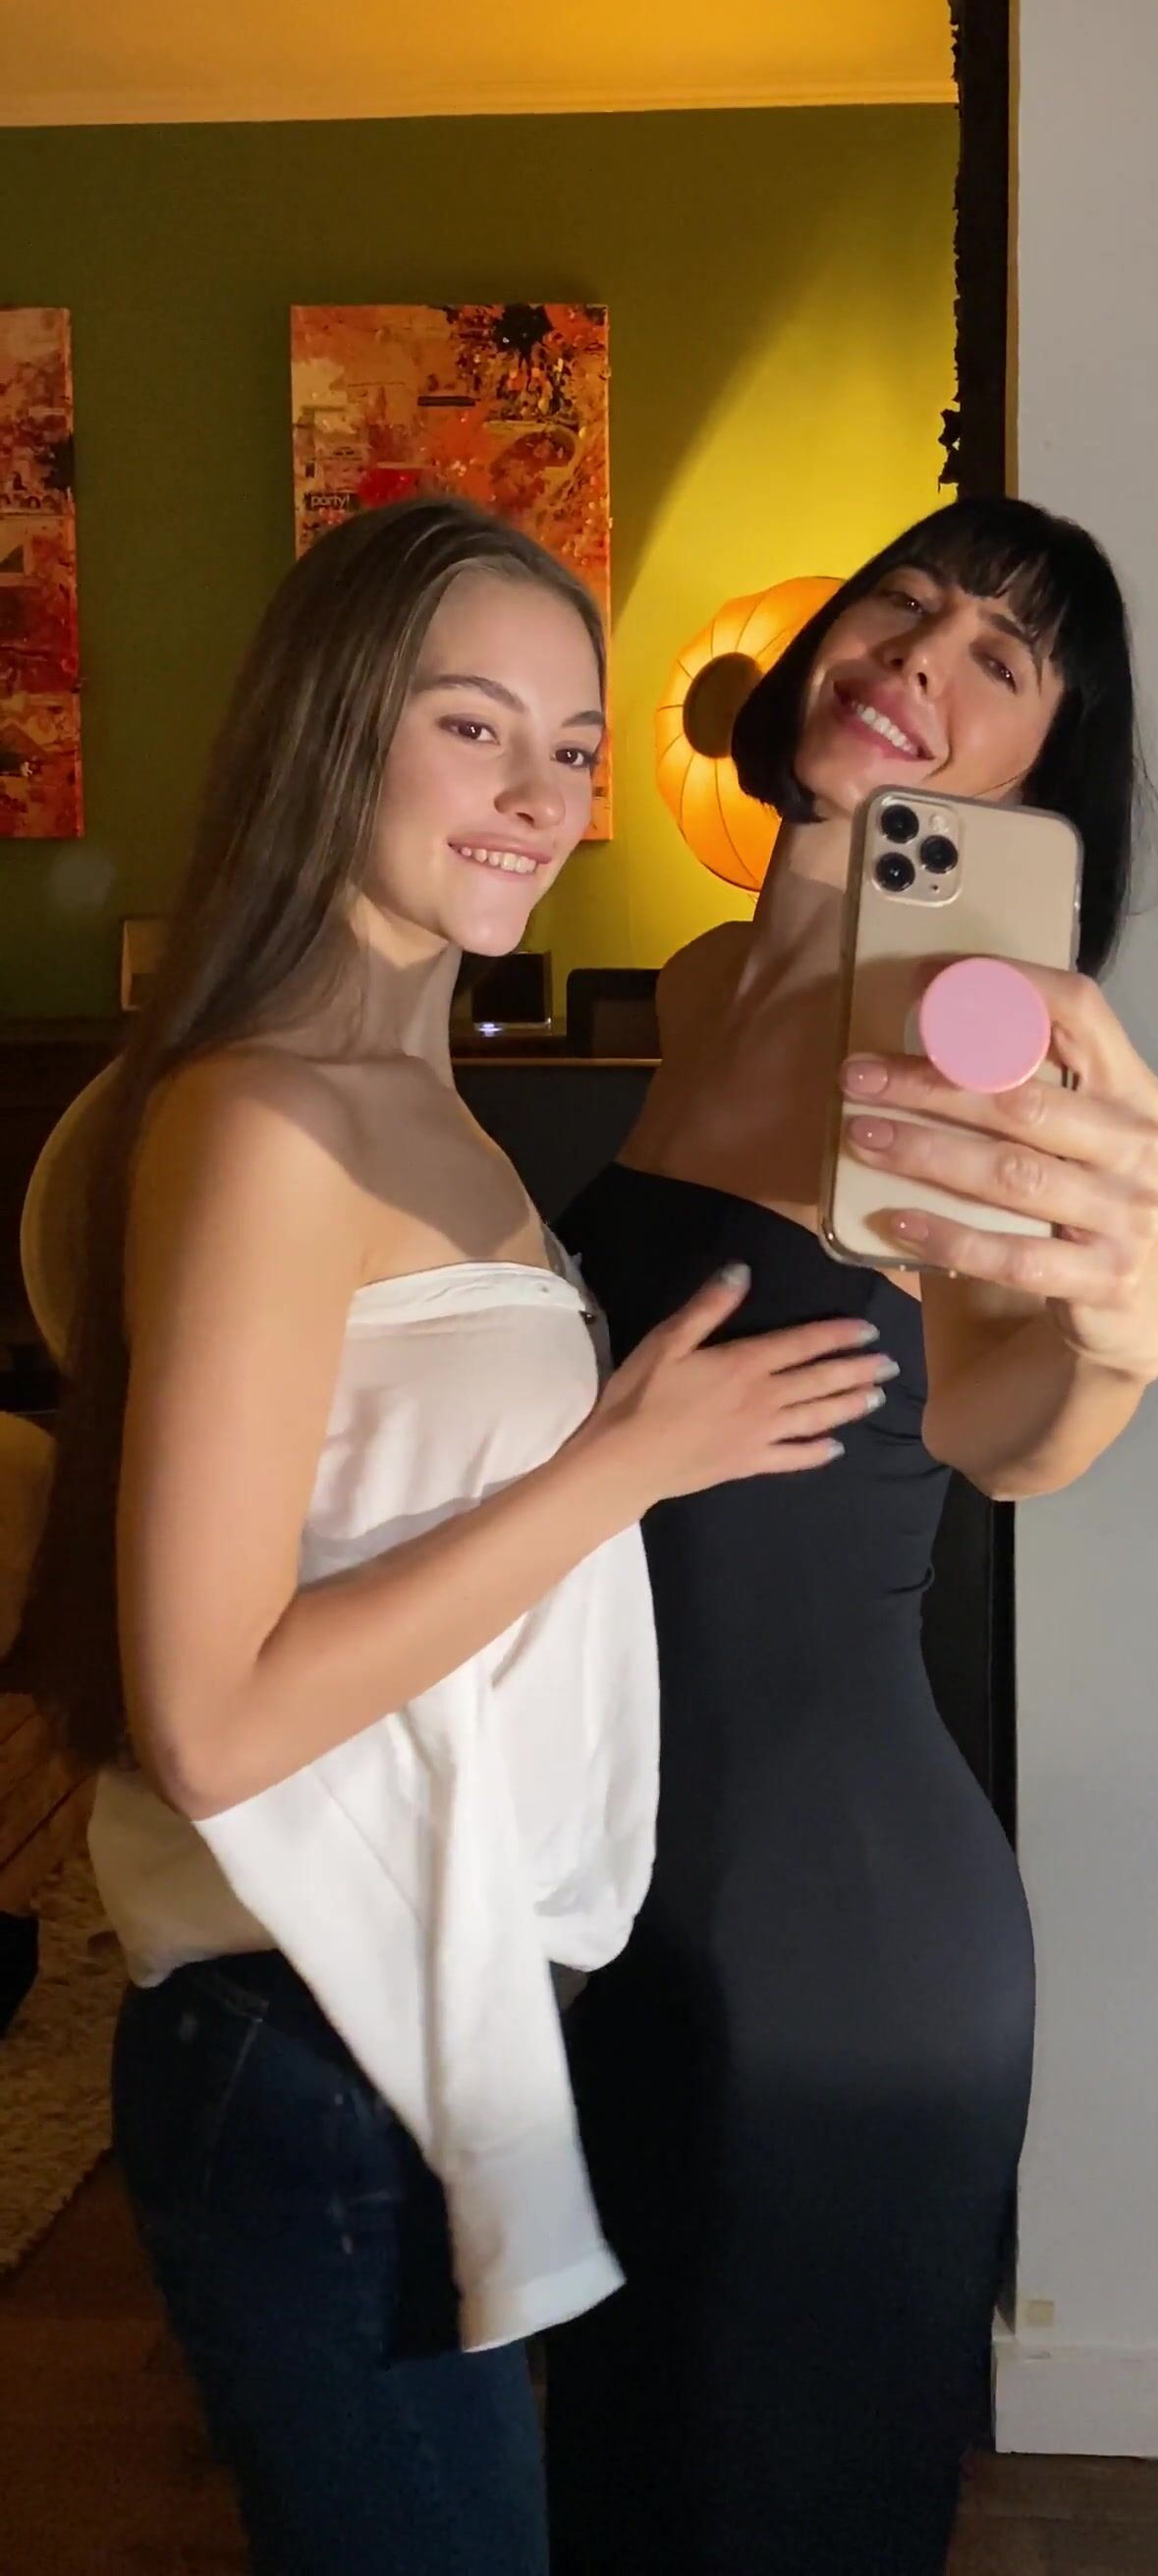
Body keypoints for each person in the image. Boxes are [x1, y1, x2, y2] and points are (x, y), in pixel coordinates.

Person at [9, 497, 893, 2576]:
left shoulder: (420, 1102)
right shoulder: (263, 1117)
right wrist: (625, 1462)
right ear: (331, 729)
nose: (542, 798)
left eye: (573, 747)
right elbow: (214, 1722)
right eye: (475, 728)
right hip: (309, 2034)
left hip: (424, 2005)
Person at [544, 496, 1158, 2576]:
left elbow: (1001, 1423)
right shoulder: (705, 979)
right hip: (629, 1877)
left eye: (1003, 659)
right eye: (908, 601)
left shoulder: (974, 1048)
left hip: (838, 1920)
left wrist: (1115, 1348)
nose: (922, 656)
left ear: (1039, 777)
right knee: (627, 2469)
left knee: (788, 2497)